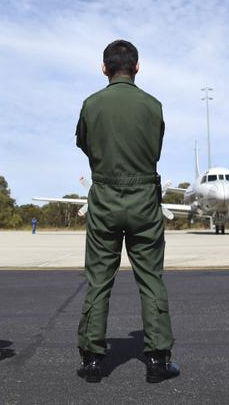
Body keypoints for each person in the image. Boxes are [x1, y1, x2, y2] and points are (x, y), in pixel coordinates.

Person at [74, 40, 179, 384]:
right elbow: (156, 149)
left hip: (104, 196)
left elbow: (84, 144)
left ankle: (92, 359)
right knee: (150, 279)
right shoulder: (153, 105)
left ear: (104, 68)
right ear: (137, 67)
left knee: (99, 280)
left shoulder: (91, 104)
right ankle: (158, 359)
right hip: (144, 198)